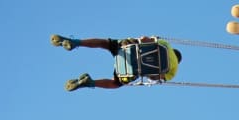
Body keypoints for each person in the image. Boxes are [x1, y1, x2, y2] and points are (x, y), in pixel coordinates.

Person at [50, 35, 182, 91]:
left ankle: (76, 42)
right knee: (115, 83)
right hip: (132, 70)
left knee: (105, 44)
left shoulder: (166, 45)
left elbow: (144, 39)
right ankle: (89, 82)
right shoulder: (174, 71)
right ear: (178, 61)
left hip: (128, 48)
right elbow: (156, 77)